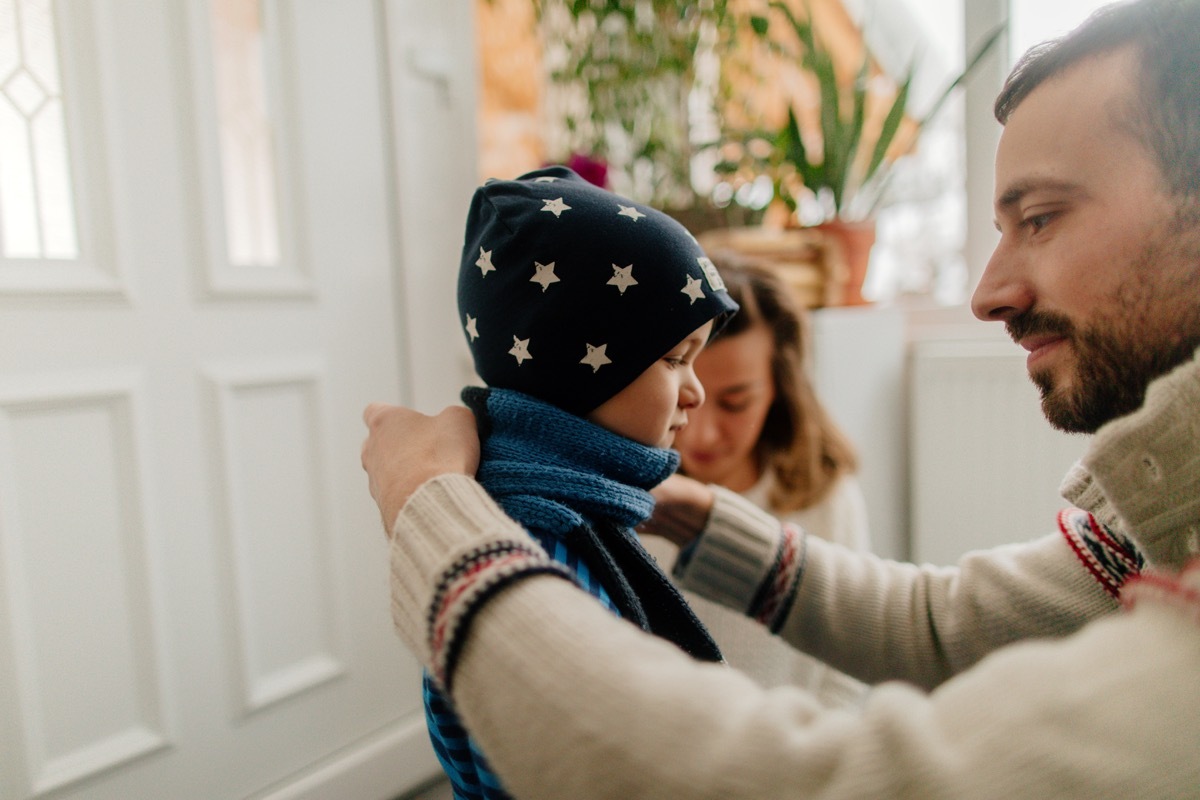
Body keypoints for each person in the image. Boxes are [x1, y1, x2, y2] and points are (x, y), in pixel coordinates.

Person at [361, 0, 1200, 796]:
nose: (987, 293)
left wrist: (427, 506)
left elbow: (788, 785)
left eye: (1044, 217)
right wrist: (691, 513)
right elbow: (942, 626)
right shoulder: (1149, 530)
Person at [418, 164, 738, 799]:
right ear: (581, 367)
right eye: (675, 360)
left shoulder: (564, 504)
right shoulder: (544, 539)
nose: (696, 392)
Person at [642, 256, 870, 702]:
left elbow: (849, 665)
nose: (703, 433)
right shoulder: (625, 493)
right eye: (682, 393)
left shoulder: (824, 492)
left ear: (780, 389)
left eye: (735, 403)